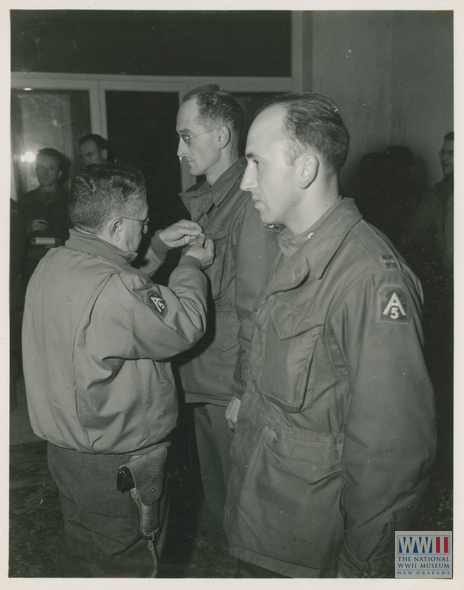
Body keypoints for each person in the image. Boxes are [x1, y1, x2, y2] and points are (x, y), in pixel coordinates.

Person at [224, 93, 436, 578]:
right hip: (269, 520)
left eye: (256, 162)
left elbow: (392, 452)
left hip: (315, 546)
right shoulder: (297, 246)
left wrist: (365, 568)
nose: (245, 181)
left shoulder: (369, 278)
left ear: (305, 169)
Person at [22, 163, 214, 577]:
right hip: (117, 464)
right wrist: (190, 266)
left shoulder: (54, 262)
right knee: (130, 566)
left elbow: (118, 287)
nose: (146, 230)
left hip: (67, 456)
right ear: (114, 225)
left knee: (80, 557)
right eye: (143, 223)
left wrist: (159, 246)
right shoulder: (115, 289)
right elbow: (185, 324)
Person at [174, 84, 279, 526]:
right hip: (206, 376)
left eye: (186, 136)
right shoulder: (213, 199)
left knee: (241, 513)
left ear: (221, 136)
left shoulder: (249, 204)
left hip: (227, 385)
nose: (179, 150)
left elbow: (258, 310)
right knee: (222, 506)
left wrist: (242, 389)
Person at [19, 147, 72, 282]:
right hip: (31, 265)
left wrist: (60, 241)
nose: (45, 173)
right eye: (41, 168)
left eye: (51, 168)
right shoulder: (25, 200)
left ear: (59, 173)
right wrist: (28, 228)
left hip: (62, 263)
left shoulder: (70, 200)